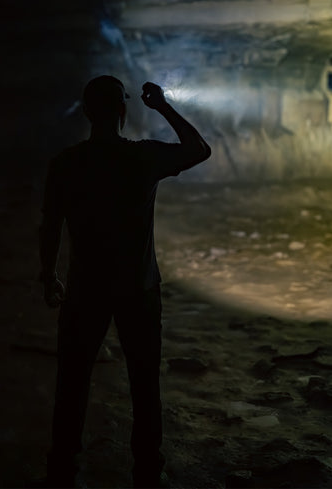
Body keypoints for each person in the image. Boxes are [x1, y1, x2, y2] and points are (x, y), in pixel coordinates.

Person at [39, 76, 211, 488]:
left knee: (72, 384)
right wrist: (164, 107)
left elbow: (51, 226)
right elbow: (199, 150)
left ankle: (62, 471)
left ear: (85, 112)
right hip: (138, 289)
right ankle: (147, 471)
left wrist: (48, 274)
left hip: (86, 291)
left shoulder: (65, 164)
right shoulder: (141, 159)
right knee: (144, 383)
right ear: (123, 111)